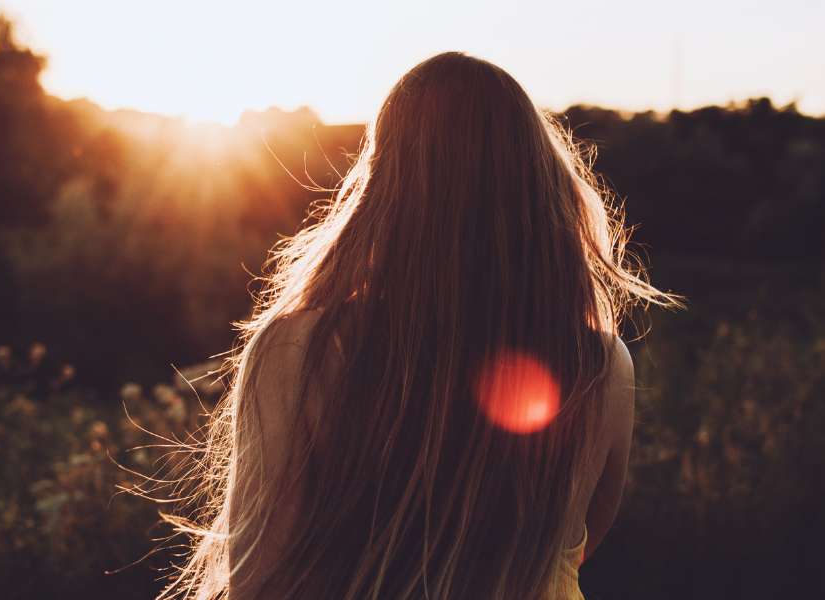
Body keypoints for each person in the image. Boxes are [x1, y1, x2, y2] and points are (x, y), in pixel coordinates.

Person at [161, 51, 680, 600]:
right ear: (542, 189)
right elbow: (578, 544)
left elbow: (257, 582)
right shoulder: (598, 365)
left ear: (383, 187)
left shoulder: (296, 349)